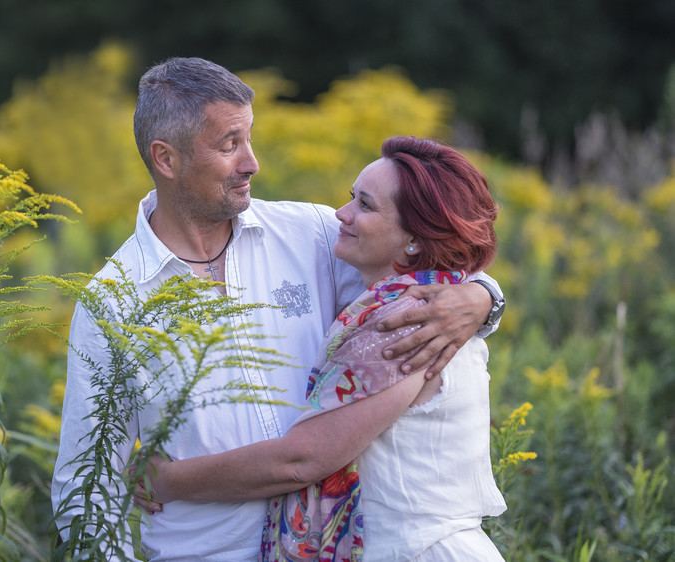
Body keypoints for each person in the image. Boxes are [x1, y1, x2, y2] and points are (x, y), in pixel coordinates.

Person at [52, 57, 505, 561]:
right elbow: (86, 489)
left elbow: (424, 259)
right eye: (230, 144)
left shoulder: (310, 234)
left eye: (249, 138)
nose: (252, 162)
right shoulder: (114, 302)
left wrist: (482, 297)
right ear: (167, 159)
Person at [135, 135, 507, 561]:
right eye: (352, 197)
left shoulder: (406, 321)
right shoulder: (434, 298)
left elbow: (302, 459)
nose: (342, 214)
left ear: (415, 241)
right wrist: (484, 295)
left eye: (365, 205)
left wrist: (163, 479)